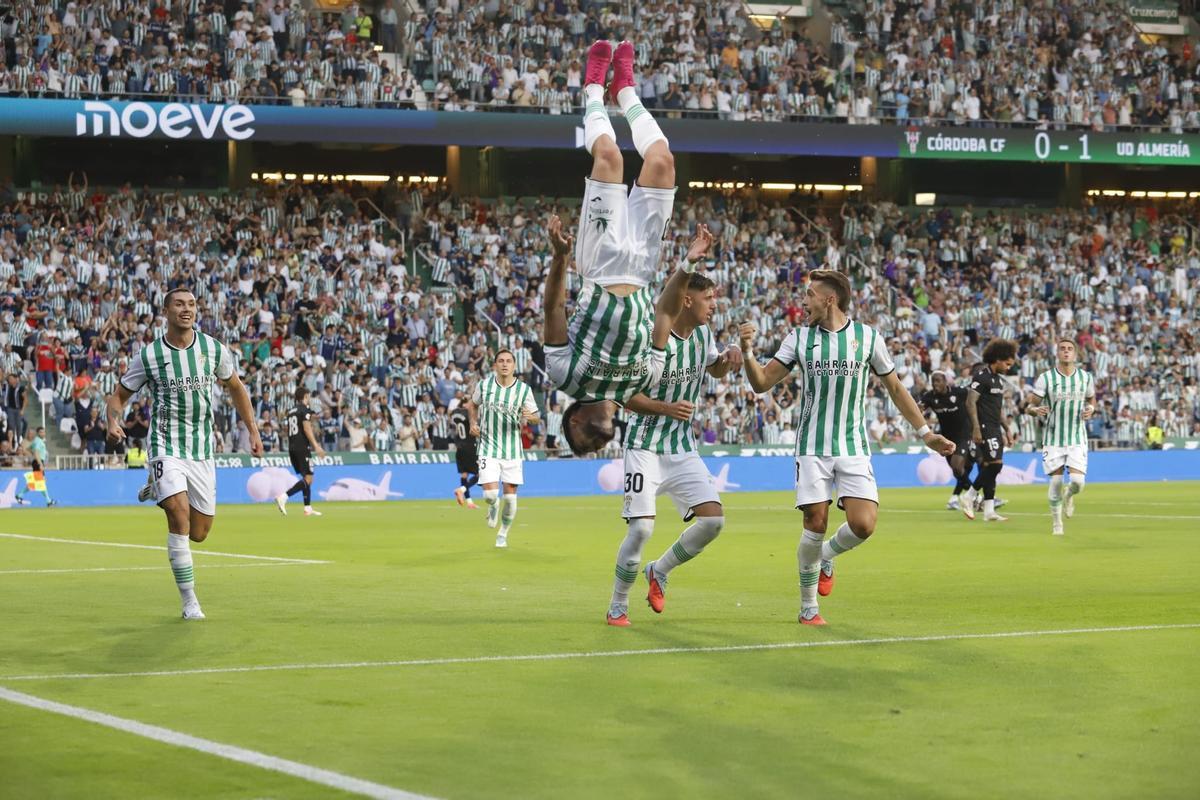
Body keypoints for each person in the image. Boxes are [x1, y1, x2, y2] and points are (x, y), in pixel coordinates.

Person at [738, 270, 954, 625]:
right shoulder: (800, 337)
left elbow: (897, 389)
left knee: (864, 524)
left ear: (829, 299)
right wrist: (747, 352)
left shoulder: (867, 338)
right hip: (812, 446)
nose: (802, 302)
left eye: (808, 295)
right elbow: (761, 382)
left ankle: (824, 556)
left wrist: (926, 433)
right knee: (815, 520)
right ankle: (808, 607)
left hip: (853, 446)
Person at [543, 40, 709, 455]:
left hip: (598, 266)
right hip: (641, 267)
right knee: (663, 162)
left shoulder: (565, 376)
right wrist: (686, 265)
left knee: (610, 157)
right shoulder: (642, 381)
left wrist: (561, 259)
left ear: (574, 419)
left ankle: (595, 89)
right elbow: (665, 313)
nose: (598, 442)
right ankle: (627, 90)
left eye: (584, 441)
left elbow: (553, 310)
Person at [106, 288, 264, 621]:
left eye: (191, 304)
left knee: (199, 533)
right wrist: (112, 420)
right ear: (166, 310)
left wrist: (252, 429)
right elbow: (118, 397)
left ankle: (157, 485)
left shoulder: (212, 349)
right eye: (179, 304)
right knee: (178, 515)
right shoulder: (149, 356)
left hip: (202, 449)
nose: (186, 309)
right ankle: (190, 602)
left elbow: (236, 387)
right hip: (166, 444)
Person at [607, 272, 744, 626]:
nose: (714, 305)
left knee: (713, 520)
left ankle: (659, 569)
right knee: (640, 530)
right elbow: (624, 397)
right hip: (644, 447)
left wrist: (730, 357)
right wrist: (668, 408)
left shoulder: (703, 335)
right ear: (686, 300)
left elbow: (714, 370)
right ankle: (618, 604)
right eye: (708, 298)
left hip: (682, 446)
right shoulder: (652, 340)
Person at [467, 350, 540, 548]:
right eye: (501, 361)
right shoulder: (485, 385)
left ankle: (503, 533)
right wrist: (473, 423)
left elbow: (535, 417)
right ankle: (493, 506)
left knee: (510, 499)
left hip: (512, 451)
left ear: (514, 366)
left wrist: (530, 417)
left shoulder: (524, 390)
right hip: (488, 447)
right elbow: (472, 405)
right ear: (495, 365)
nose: (505, 364)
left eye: (508, 361)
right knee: (491, 496)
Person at [1026, 339, 1095, 535]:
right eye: (1062, 349)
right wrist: (1035, 410)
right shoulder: (1046, 378)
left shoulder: (1085, 377)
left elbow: (1091, 398)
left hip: (1077, 437)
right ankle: (1057, 524)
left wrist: (1091, 408)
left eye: (1070, 349)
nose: (1066, 352)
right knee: (1055, 482)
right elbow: (1029, 407)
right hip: (1053, 438)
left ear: (1076, 354)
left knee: (1078, 483)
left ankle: (1070, 494)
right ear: (1057, 353)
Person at [962, 339, 1018, 523]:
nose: (1009, 367)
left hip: (995, 427)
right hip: (985, 428)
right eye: (1007, 363)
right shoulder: (981, 376)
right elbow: (970, 402)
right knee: (995, 465)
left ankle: (989, 511)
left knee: (990, 468)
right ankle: (969, 496)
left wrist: (1007, 428)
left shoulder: (997, 380)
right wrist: (976, 428)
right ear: (998, 359)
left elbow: (998, 408)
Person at [920, 371, 974, 510]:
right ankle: (962, 497)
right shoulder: (930, 397)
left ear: (945, 381)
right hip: (946, 437)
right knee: (957, 471)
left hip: (964, 434)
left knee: (957, 466)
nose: (935, 384)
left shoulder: (959, 392)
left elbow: (974, 399)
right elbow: (918, 409)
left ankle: (976, 497)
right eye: (933, 381)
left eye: (938, 380)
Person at [275, 387, 326, 517]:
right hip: (302, 446)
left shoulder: (291, 411)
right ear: (305, 396)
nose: (309, 398)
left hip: (292, 447)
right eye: (308, 396)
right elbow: (306, 428)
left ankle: (307, 508)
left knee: (306, 477)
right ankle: (284, 496)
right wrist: (316, 446)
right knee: (309, 478)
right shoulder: (304, 410)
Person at [450, 402, 479, 509]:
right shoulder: (469, 414)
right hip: (470, 447)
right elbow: (474, 430)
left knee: (464, 475)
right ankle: (461, 490)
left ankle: (469, 502)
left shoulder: (455, 414)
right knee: (480, 475)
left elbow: (454, 427)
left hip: (459, 447)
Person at [15, 427, 55, 506]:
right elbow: (36, 451)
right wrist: (39, 463)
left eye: (44, 432)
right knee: (41, 482)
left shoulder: (36, 441)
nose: (43, 434)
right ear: (38, 433)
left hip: (37, 462)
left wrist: (32, 456)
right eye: (41, 432)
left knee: (35, 483)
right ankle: (48, 501)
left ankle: (19, 495)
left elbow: (27, 449)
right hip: (38, 462)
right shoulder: (38, 442)